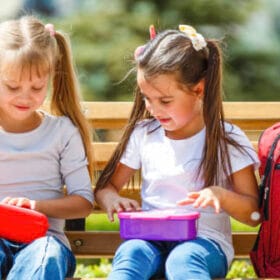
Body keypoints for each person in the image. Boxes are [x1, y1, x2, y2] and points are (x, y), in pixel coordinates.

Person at [94, 24, 260, 280]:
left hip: (204, 244)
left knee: (183, 260)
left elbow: (253, 214)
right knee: (131, 254)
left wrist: (221, 196)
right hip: (150, 240)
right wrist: (112, 200)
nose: (152, 109)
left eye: (165, 101)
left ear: (198, 89)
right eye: (147, 98)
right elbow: (105, 188)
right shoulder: (144, 134)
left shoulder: (225, 139)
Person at [0, 15, 94, 280]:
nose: (25, 96)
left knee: (45, 256)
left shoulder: (61, 132)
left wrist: (36, 205)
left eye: (37, 87)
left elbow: (84, 202)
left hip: (44, 241)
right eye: (12, 86)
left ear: (50, 78)